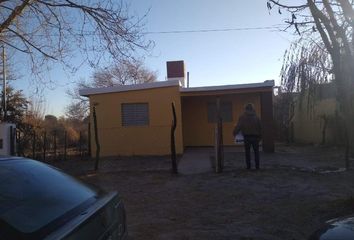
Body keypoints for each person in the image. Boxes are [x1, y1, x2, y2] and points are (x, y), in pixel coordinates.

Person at [233, 103, 262, 170]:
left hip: (247, 137)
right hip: (255, 137)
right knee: (256, 152)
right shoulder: (257, 117)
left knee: (247, 153)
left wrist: (234, 133)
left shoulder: (242, 117)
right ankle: (257, 167)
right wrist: (260, 137)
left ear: (245, 109)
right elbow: (260, 127)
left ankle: (248, 167)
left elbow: (239, 126)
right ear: (252, 109)